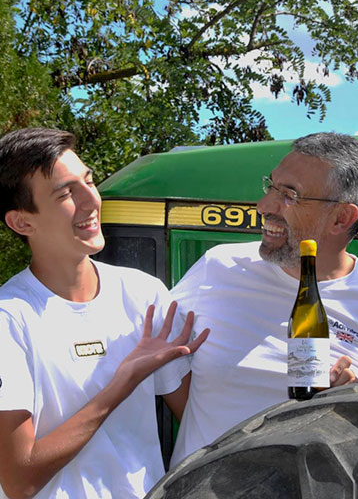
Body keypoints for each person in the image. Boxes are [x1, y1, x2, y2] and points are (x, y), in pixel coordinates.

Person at [0, 127, 209, 499]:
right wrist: (122, 382)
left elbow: (201, 419)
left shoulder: (144, 294)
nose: (91, 201)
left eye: (89, 181)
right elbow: (19, 480)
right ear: (22, 222)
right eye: (66, 193)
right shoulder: (9, 319)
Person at [169, 131, 358, 468]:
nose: (264, 207)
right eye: (271, 187)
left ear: (341, 218)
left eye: (290, 195)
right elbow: (164, 365)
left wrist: (350, 405)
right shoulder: (218, 267)